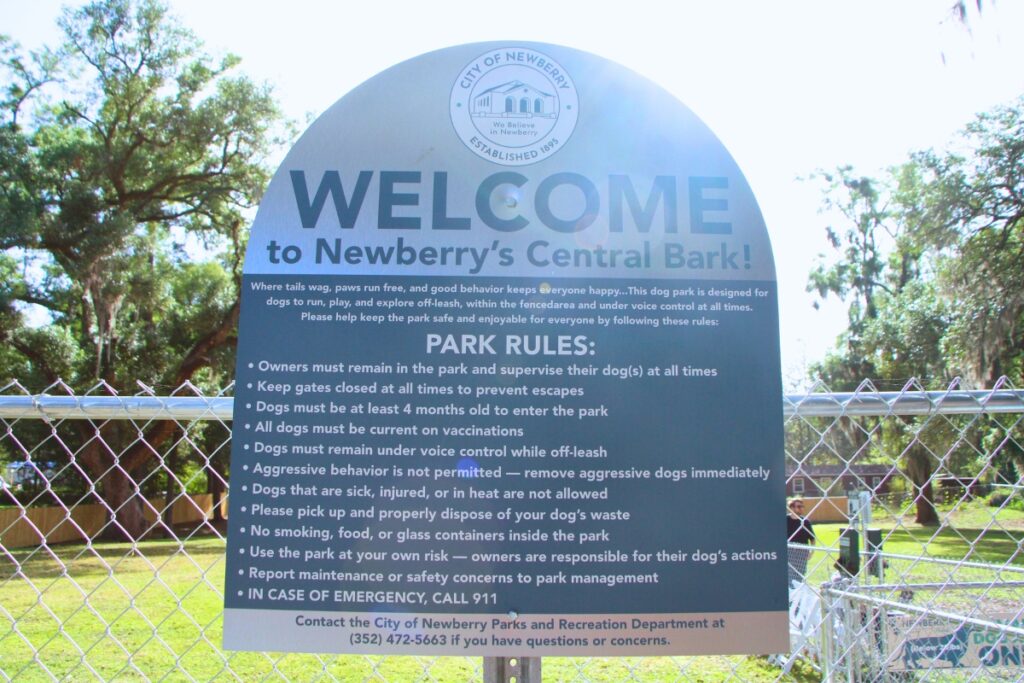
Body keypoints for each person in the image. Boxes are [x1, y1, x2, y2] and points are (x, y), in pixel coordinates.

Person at [786, 498, 815, 587]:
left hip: (802, 551)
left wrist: (811, 552)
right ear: (791, 507)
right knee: (789, 574)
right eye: (798, 506)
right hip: (789, 550)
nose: (801, 508)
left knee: (800, 575)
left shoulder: (805, 521)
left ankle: (797, 592)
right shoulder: (785, 520)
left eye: (802, 506)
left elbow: (812, 539)